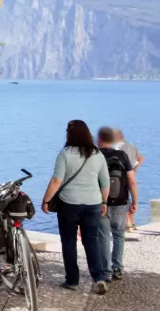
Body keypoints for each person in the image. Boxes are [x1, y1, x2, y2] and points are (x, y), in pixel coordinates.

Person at [41, 119, 110, 294]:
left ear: (69, 134)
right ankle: (99, 277)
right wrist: (104, 201)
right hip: (93, 203)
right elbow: (105, 182)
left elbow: (56, 180)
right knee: (91, 241)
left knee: (69, 242)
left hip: (69, 204)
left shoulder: (65, 153)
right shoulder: (97, 154)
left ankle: (72, 280)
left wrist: (46, 200)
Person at [97, 126, 137, 282]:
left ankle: (106, 271)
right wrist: (134, 201)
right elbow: (132, 181)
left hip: (101, 202)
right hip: (121, 202)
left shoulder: (95, 155)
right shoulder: (122, 155)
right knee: (119, 235)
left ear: (99, 139)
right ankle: (117, 268)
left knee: (103, 237)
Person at [113, 128, 143, 230]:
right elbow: (141, 159)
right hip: (131, 175)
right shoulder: (132, 146)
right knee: (128, 198)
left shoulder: (117, 148)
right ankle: (131, 223)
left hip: (121, 176)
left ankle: (127, 224)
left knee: (123, 199)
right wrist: (134, 170)